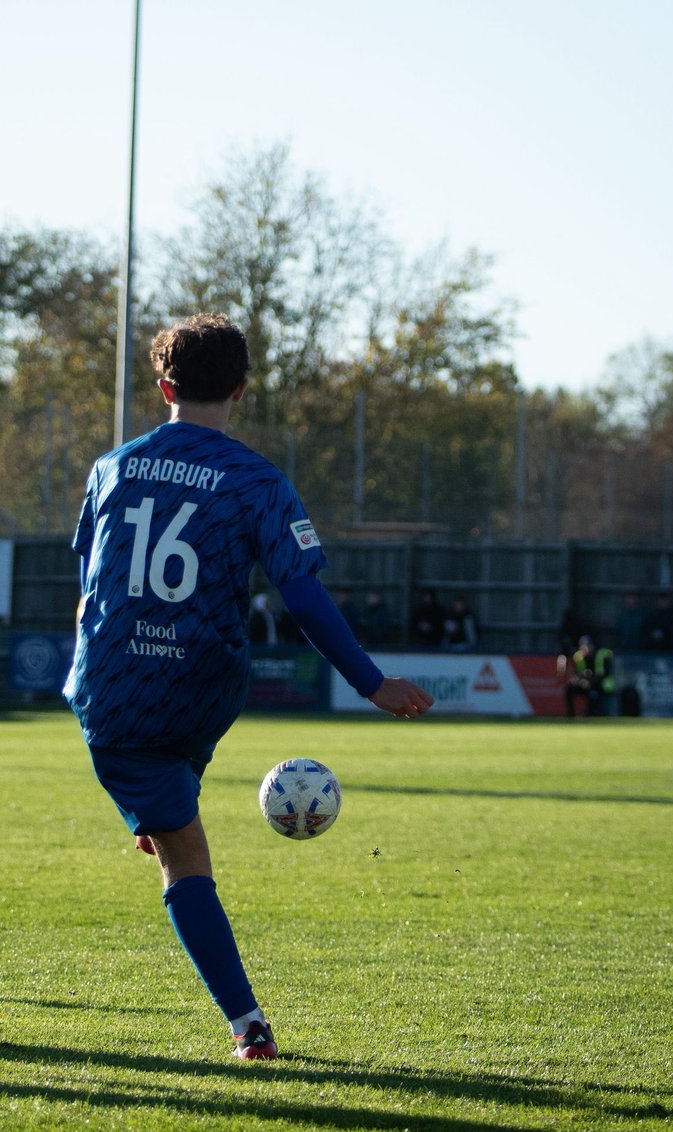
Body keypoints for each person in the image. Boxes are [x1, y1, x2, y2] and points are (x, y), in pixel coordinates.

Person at [63, 313, 433, 1062]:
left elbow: (87, 588)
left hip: (111, 693)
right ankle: (243, 1012)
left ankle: (244, 1017)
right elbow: (302, 596)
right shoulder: (260, 482)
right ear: (239, 389)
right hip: (201, 689)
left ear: (164, 385)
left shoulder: (111, 468)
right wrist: (372, 683)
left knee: (179, 853)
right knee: (177, 837)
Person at [564, 634, 615, 717]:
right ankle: (571, 716)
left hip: (601, 685)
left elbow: (603, 674)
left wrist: (590, 681)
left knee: (593, 692)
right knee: (569, 689)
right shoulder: (578, 657)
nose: (585, 649)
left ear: (592, 646)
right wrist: (579, 681)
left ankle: (593, 715)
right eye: (582, 646)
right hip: (585, 684)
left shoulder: (601, 655)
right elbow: (577, 673)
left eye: (587, 646)